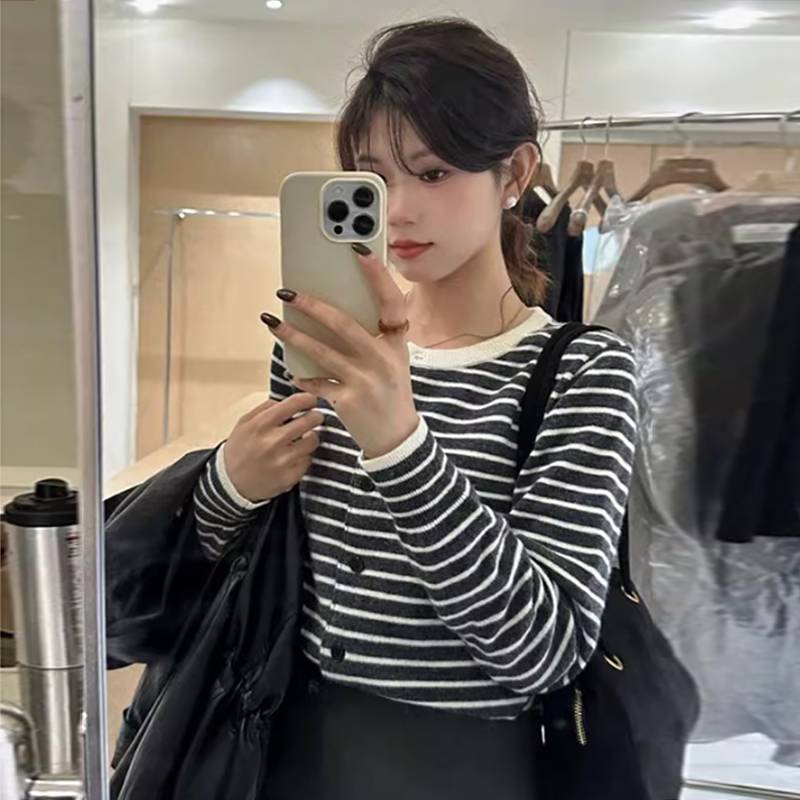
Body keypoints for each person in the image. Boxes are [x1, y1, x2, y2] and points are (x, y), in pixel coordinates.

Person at [193, 17, 638, 800]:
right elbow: (234, 558)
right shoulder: (323, 348)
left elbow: (542, 651)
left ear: (514, 172)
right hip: (283, 738)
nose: (397, 211)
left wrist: (399, 444)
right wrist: (230, 484)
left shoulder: (583, 371)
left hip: (459, 764)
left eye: (433, 173)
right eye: (373, 179)